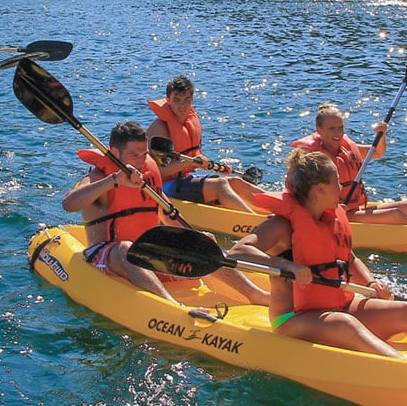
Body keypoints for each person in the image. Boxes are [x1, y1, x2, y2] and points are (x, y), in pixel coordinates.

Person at [226, 149, 407, 368]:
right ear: (320, 190)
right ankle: (404, 371)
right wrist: (286, 265)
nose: (343, 189)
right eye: (337, 182)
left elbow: (349, 259)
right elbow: (239, 252)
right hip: (293, 319)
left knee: (405, 311)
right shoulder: (281, 226)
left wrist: (373, 282)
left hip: (341, 306)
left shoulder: (328, 220)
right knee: (344, 324)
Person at [61, 121, 268, 306]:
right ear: (115, 153)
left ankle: (255, 294)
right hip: (108, 254)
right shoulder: (99, 176)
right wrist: (113, 181)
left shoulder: (147, 173)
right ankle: (173, 307)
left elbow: (168, 214)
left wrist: (195, 237)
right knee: (126, 248)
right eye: (134, 155)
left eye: (144, 154)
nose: (141, 161)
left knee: (203, 244)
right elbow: (69, 204)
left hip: (148, 249)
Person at [147, 75, 262, 213]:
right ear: (168, 100)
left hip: (184, 180)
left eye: (186, 100)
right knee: (220, 184)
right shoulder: (159, 129)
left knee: (235, 182)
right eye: (176, 100)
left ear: (192, 100)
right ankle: (257, 222)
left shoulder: (189, 123)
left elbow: (193, 156)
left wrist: (217, 167)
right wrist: (190, 163)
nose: (182, 106)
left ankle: (280, 206)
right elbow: (156, 172)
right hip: (164, 188)